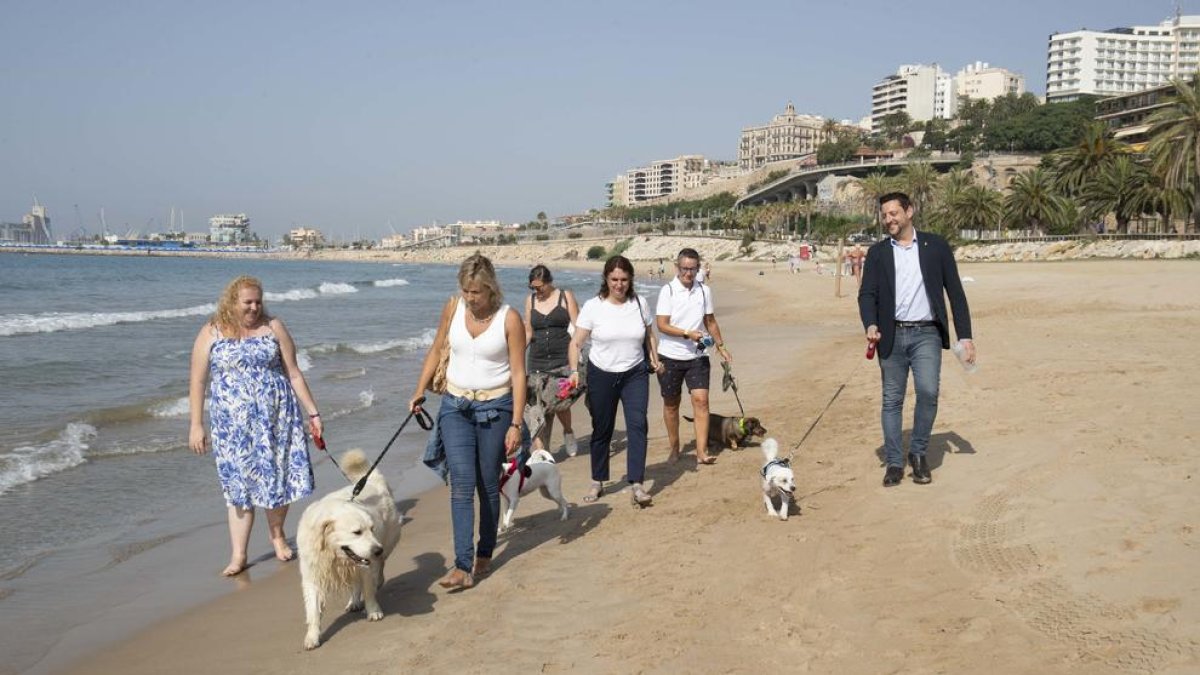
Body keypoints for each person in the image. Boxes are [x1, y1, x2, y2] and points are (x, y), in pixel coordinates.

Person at [189, 275, 319, 576]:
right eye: (247, 302)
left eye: (257, 301)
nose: (254, 307)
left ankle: (277, 536)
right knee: (239, 487)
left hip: (277, 419)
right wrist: (196, 424)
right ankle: (239, 555)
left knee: (278, 479)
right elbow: (197, 381)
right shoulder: (211, 332)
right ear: (232, 302)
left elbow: (294, 374)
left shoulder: (274, 328)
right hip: (232, 427)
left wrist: (313, 413)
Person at [410, 254, 527, 590]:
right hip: (455, 407)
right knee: (461, 484)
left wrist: (516, 423)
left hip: (497, 408)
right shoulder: (453, 308)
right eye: (465, 291)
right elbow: (436, 350)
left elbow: (519, 373)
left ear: (491, 289)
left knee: (487, 484)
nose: (470, 298)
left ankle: (485, 552)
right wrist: (418, 391)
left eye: (476, 292)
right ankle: (462, 566)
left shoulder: (510, 318)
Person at [858, 192, 976, 487]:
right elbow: (867, 294)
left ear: (909, 211)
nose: (889, 220)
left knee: (928, 392)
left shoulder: (935, 246)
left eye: (894, 213)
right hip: (891, 335)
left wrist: (966, 337)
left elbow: (956, 293)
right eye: (884, 215)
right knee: (892, 400)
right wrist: (870, 323)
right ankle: (895, 463)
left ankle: (919, 453)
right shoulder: (878, 253)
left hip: (927, 333)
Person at [568, 255, 662, 508]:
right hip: (601, 373)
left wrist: (655, 358)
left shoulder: (640, 303)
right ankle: (598, 480)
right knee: (602, 429)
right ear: (606, 279)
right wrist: (574, 370)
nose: (619, 284)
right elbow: (576, 342)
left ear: (630, 279)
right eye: (614, 279)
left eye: (623, 279)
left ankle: (637, 483)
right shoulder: (593, 306)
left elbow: (649, 336)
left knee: (637, 424)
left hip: (635, 373)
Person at [655, 248, 732, 465]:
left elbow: (710, 321)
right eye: (684, 269)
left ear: (698, 268)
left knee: (701, 401)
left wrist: (721, 346)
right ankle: (674, 448)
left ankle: (701, 452)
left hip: (697, 356)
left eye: (692, 269)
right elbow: (662, 325)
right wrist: (687, 333)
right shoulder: (668, 291)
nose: (688, 273)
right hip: (669, 356)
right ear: (677, 268)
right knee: (671, 404)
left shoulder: (704, 291)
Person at [523, 264, 580, 456]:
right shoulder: (530, 301)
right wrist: (515, 353)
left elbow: (579, 327)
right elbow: (528, 331)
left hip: (562, 360)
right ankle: (541, 453)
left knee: (560, 404)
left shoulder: (565, 296)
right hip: (536, 362)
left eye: (540, 287)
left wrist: (578, 359)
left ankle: (568, 431)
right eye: (533, 288)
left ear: (549, 282)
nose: (536, 291)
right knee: (536, 408)